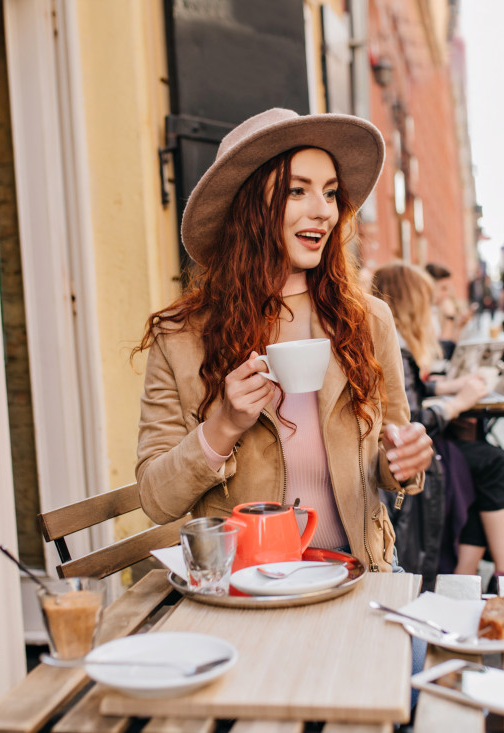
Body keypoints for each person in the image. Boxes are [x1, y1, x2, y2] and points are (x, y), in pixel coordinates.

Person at [134, 108, 433, 573]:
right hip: (246, 584)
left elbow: (389, 462)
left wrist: (404, 461)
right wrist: (224, 426)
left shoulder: (368, 320)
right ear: (250, 207)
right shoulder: (181, 337)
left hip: (358, 574)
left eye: (331, 194)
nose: (324, 210)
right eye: (298, 190)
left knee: (410, 649)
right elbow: (156, 498)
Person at [372, 262, 504, 585]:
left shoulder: (391, 340)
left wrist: (449, 388)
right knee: (491, 463)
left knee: (482, 465)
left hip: (412, 454)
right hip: (410, 457)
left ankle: (472, 577)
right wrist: (457, 402)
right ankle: (496, 573)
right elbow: (407, 419)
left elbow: (413, 387)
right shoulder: (394, 343)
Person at [424, 262, 472, 357]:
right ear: (429, 287)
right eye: (443, 288)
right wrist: (449, 318)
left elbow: (450, 347)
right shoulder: (422, 314)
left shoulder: (434, 310)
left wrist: (459, 327)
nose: (447, 294)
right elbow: (441, 354)